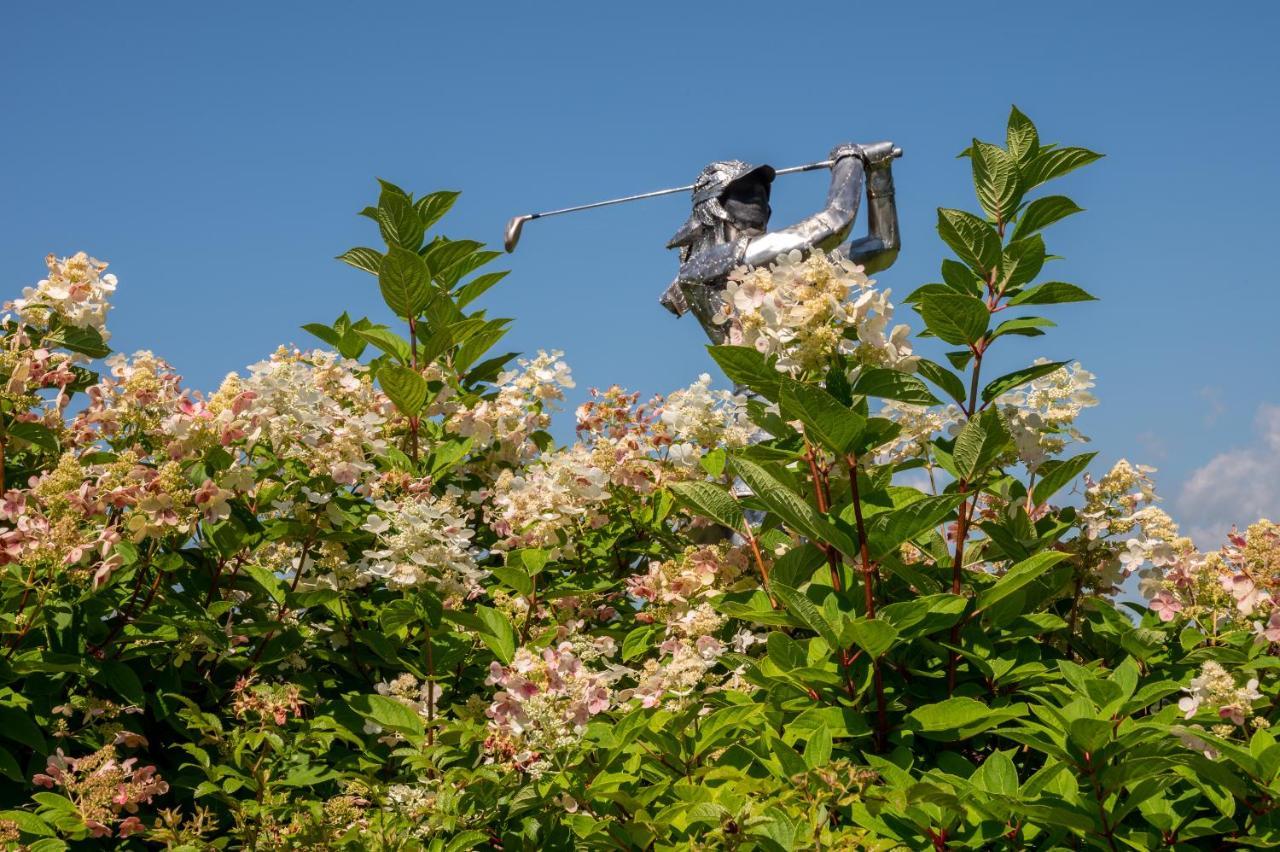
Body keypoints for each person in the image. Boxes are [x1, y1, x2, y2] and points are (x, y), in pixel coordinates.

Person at [659, 142, 900, 343]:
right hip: (761, 397)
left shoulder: (785, 267)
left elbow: (883, 247)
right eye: (743, 190)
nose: (759, 195)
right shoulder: (702, 266)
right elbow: (835, 222)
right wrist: (850, 158)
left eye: (763, 191)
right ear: (713, 204)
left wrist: (879, 172)